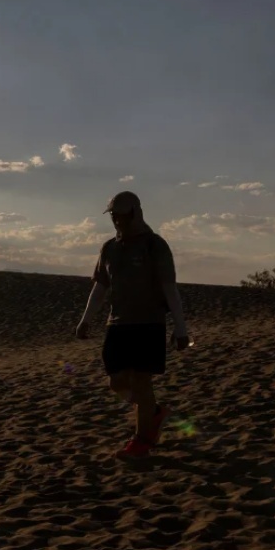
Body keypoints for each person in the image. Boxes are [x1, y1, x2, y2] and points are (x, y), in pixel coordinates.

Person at [75, 190, 189, 458]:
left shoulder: (155, 246)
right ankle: (154, 413)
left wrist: (181, 328)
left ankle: (141, 441)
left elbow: (169, 288)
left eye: (122, 215)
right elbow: (100, 287)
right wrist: (85, 320)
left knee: (141, 381)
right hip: (117, 323)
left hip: (148, 323)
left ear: (135, 213)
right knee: (116, 382)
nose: (117, 221)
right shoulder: (109, 248)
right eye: (114, 215)